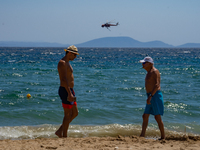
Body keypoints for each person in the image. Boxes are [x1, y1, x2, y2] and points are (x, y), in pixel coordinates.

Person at [55, 45, 79, 138]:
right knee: (67, 114)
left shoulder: (68, 62)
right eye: (74, 55)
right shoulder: (62, 63)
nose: (75, 57)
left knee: (75, 113)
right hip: (65, 90)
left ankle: (60, 131)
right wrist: (69, 93)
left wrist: (71, 92)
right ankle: (64, 136)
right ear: (69, 53)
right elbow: (64, 80)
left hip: (70, 90)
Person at [139, 56, 165, 140]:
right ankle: (142, 135)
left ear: (150, 64)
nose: (142, 64)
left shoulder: (155, 71)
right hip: (150, 95)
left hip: (155, 95)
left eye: (144, 63)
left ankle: (163, 137)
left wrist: (151, 96)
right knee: (145, 116)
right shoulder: (148, 72)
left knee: (157, 117)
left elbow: (157, 85)